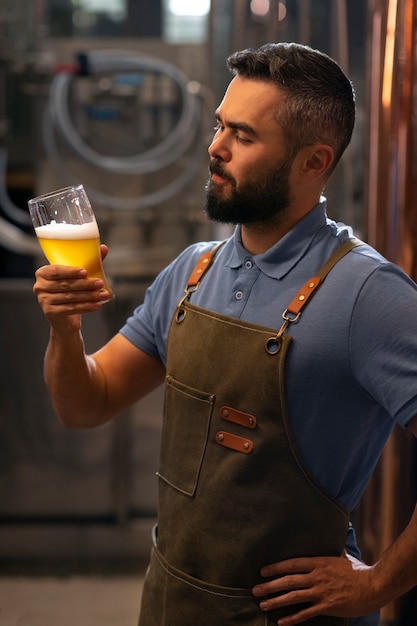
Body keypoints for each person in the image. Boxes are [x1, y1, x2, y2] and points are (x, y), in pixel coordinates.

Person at [33, 42, 417, 626]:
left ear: (314, 162)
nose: (215, 148)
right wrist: (65, 328)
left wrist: (377, 584)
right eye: (220, 126)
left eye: (244, 135)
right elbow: (87, 403)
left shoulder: (367, 293)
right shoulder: (193, 271)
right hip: (171, 603)